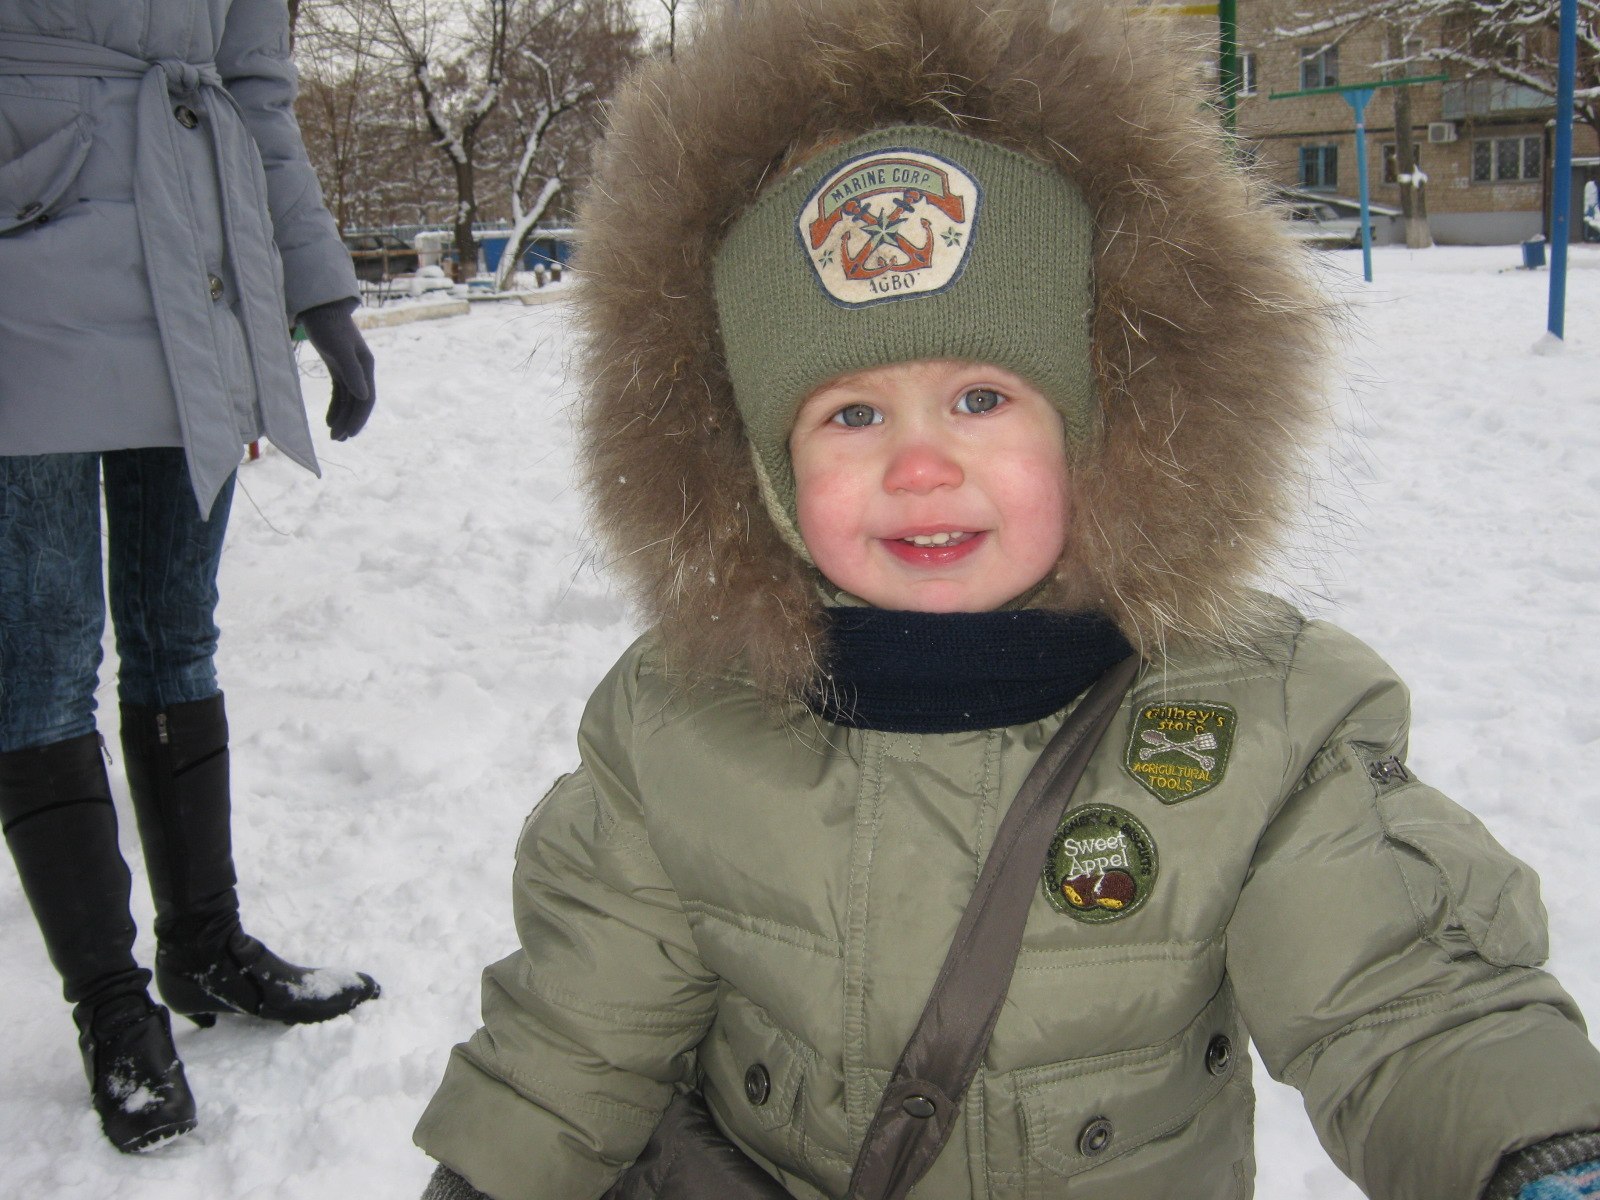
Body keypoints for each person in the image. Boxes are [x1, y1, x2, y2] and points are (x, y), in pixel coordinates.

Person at [411, 0, 1600, 1197]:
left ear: (1099, 425)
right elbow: (575, 1038)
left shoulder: (1262, 723)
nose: (920, 466)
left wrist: (1531, 1150)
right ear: (760, 472)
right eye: (851, 413)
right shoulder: (680, 728)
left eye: (981, 398)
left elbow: (1406, 996)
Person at [0, 0, 379, 1156]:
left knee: (178, 634)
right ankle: (113, 1012)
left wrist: (320, 290)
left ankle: (205, 945)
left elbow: (258, 94)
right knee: (43, 660)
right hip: (23, 255)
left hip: (199, 260)